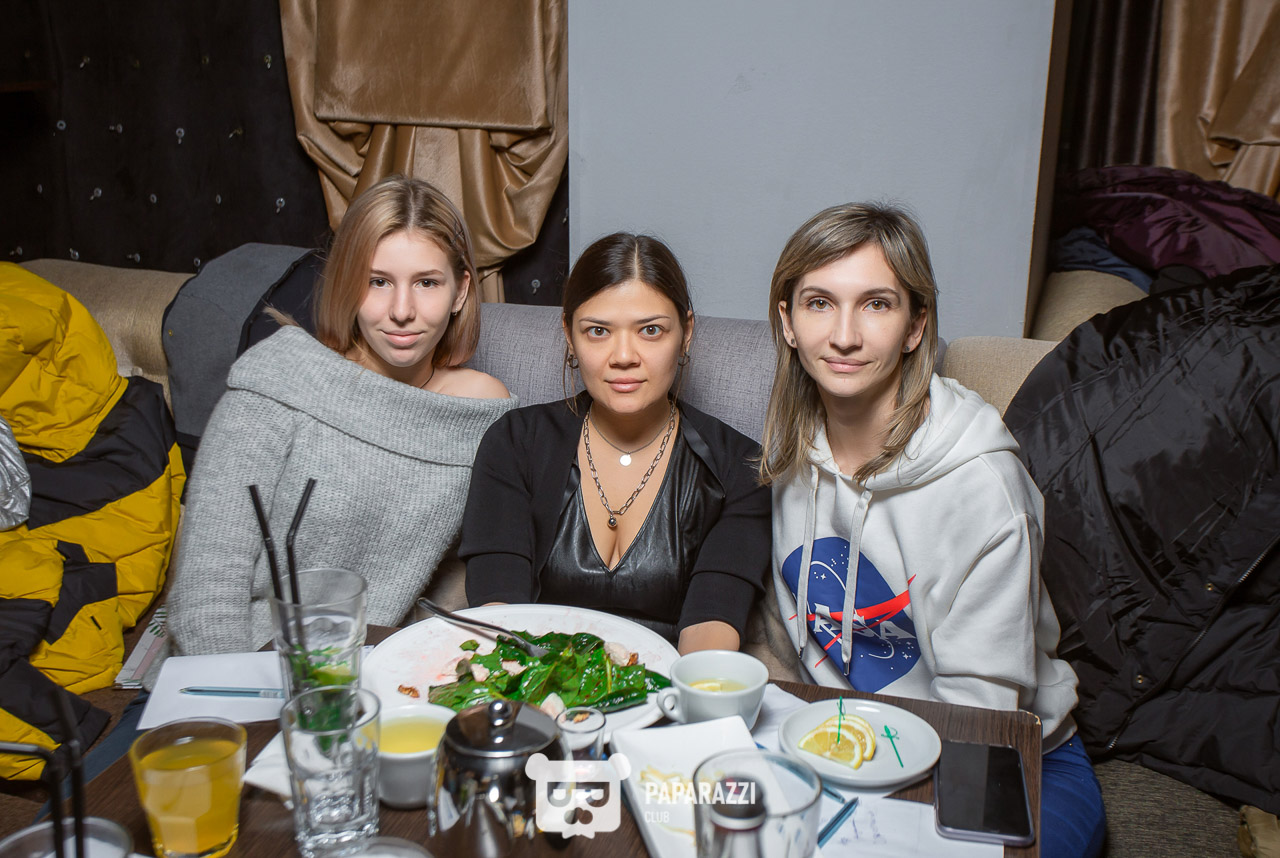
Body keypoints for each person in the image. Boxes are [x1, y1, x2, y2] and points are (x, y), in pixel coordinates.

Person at [761, 203, 1105, 857]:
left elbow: (981, 716)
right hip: (847, 739)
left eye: (877, 304)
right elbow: (784, 640)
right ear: (788, 322)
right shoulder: (790, 451)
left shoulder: (983, 486)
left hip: (1003, 751)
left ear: (916, 325)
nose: (844, 336)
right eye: (819, 303)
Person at [168, 175, 515, 655]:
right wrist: (242, 689)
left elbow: (498, 561)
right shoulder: (280, 376)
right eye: (377, 281)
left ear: (460, 292)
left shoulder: (481, 410)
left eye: (427, 283)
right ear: (347, 284)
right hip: (244, 663)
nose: (401, 310)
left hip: (378, 669)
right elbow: (205, 593)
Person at [460, 233, 769, 653]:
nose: (624, 356)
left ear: (686, 333)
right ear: (569, 334)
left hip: (669, 684)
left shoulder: (741, 466)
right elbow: (500, 616)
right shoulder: (514, 441)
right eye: (598, 331)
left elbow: (710, 629)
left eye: (651, 330)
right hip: (533, 678)